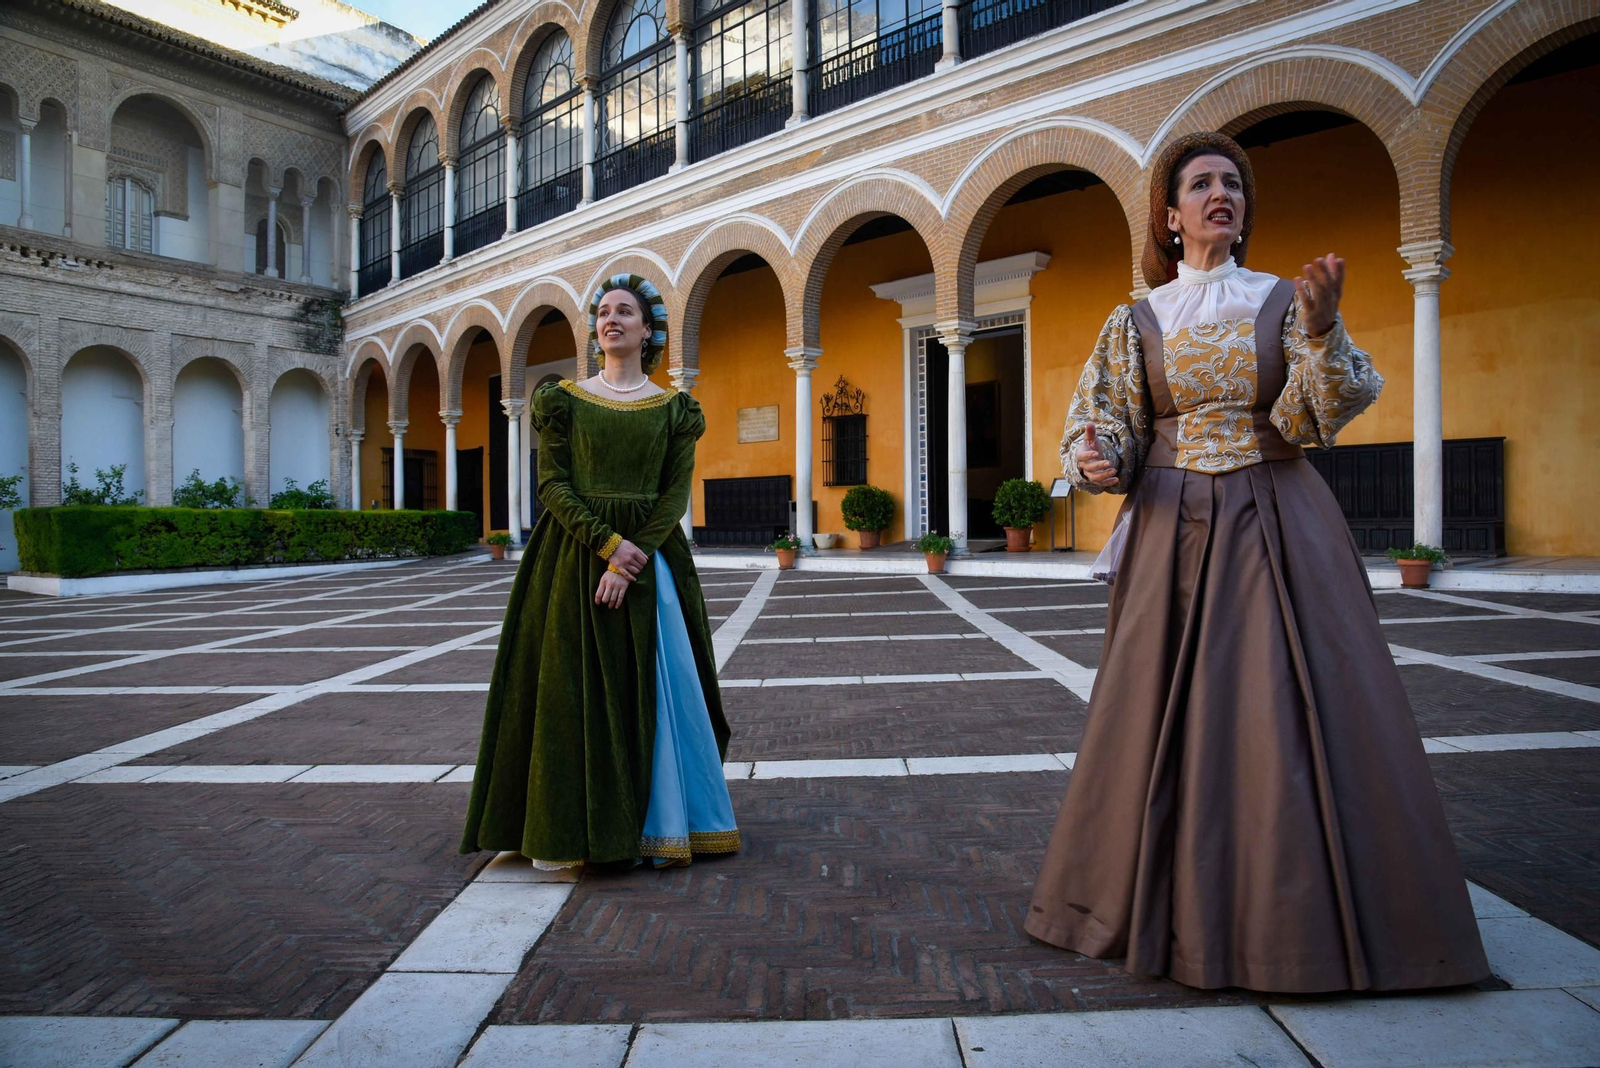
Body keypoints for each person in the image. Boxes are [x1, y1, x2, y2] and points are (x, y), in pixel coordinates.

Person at [1024, 132, 1489, 992]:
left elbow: (1320, 415)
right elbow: (1107, 425)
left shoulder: (1282, 300)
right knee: (1159, 704)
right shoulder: (1135, 319)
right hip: (1169, 528)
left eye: (1231, 183)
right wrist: (1095, 461)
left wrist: (1320, 326)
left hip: (1279, 513)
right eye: (1200, 184)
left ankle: (1299, 915)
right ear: (1170, 217)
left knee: (1288, 700)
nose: (1218, 194)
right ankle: (1155, 898)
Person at [459, 274, 738, 870]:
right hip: (571, 561)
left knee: (657, 695)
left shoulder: (675, 410)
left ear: (647, 329)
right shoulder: (562, 399)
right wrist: (608, 545)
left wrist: (632, 555)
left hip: (653, 565)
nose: (611, 319)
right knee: (570, 693)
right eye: (603, 312)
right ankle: (573, 831)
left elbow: (672, 496)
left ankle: (656, 821)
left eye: (625, 312)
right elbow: (552, 485)